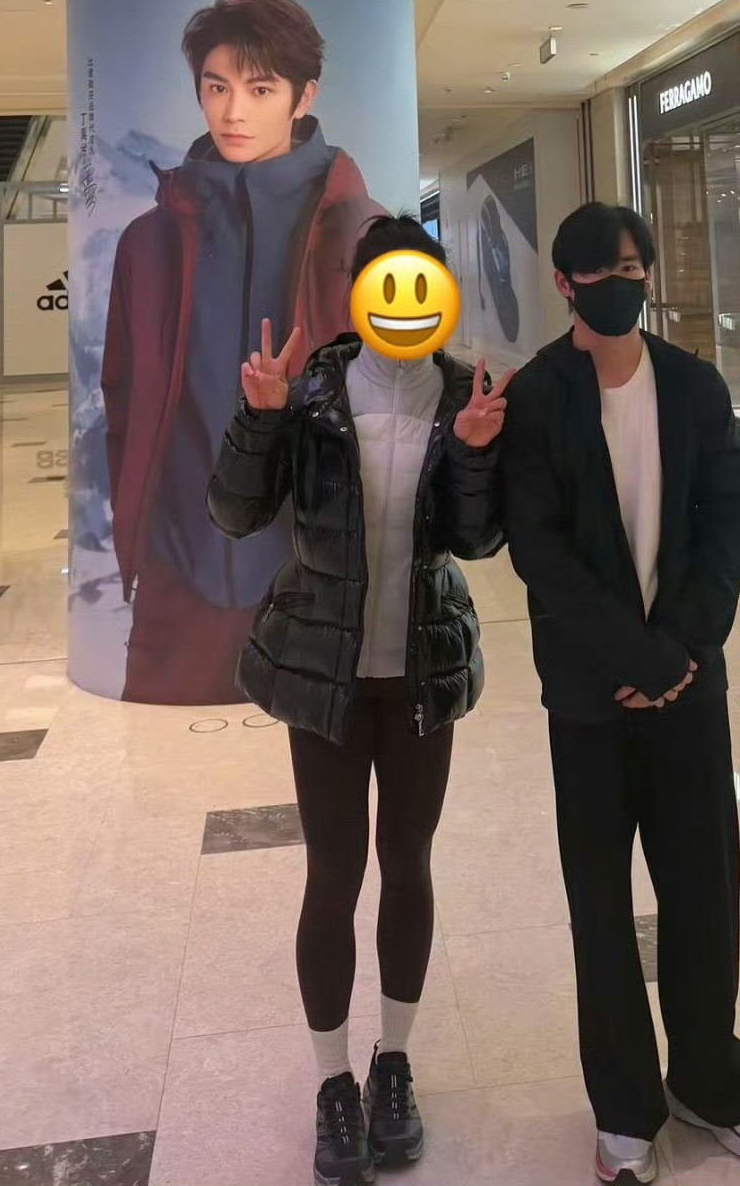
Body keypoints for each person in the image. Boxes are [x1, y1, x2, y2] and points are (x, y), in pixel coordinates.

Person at [208, 214, 509, 1186]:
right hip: (327, 673)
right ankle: (333, 1080)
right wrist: (260, 414)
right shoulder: (309, 395)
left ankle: (395, 1065)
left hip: (419, 671)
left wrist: (474, 452)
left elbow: (476, 539)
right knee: (333, 874)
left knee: (407, 863)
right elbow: (233, 511)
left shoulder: (464, 395)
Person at [499, 202, 740, 1184]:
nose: (621, 283)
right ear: (565, 283)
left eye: (634, 266)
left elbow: (721, 532)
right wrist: (634, 658)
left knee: (703, 893)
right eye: (601, 270)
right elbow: (540, 553)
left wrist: (679, 655)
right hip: (589, 700)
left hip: (688, 691)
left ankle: (713, 1082)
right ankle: (624, 1108)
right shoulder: (539, 397)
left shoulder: (696, 389)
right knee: (600, 907)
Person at [101, 0, 382, 704]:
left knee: (318, 751)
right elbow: (123, 397)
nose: (233, 112)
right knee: (161, 753)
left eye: (260, 89)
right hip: (179, 562)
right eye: (216, 86)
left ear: (303, 96)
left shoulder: (364, 236)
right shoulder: (147, 242)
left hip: (318, 563)